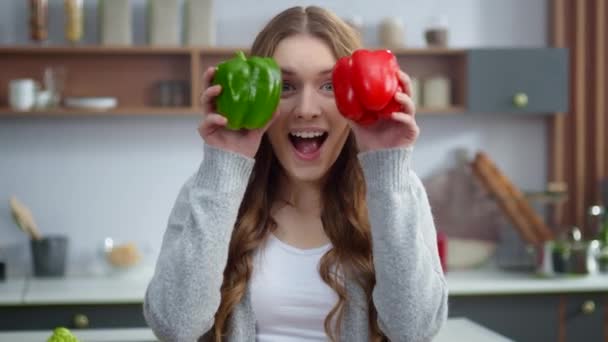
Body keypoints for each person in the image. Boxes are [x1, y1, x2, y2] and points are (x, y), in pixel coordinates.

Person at [143, 6, 448, 342]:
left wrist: (387, 168)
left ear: (357, 92)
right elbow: (174, 326)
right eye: (286, 86)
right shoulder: (210, 189)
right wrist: (224, 165)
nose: (305, 109)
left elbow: (414, 330)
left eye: (329, 86)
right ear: (259, 91)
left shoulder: (399, 191)